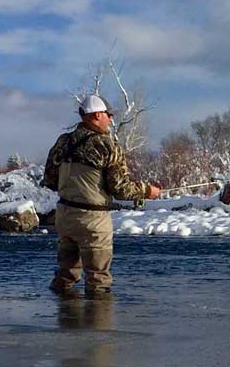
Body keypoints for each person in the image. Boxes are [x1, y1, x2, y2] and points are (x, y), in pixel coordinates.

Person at [42, 95, 160, 299]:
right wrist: (148, 191)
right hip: (93, 221)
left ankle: (62, 325)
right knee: (98, 281)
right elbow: (121, 189)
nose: (111, 119)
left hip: (64, 217)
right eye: (108, 115)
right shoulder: (107, 146)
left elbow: (50, 180)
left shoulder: (64, 142)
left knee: (65, 276)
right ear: (97, 115)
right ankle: (97, 329)